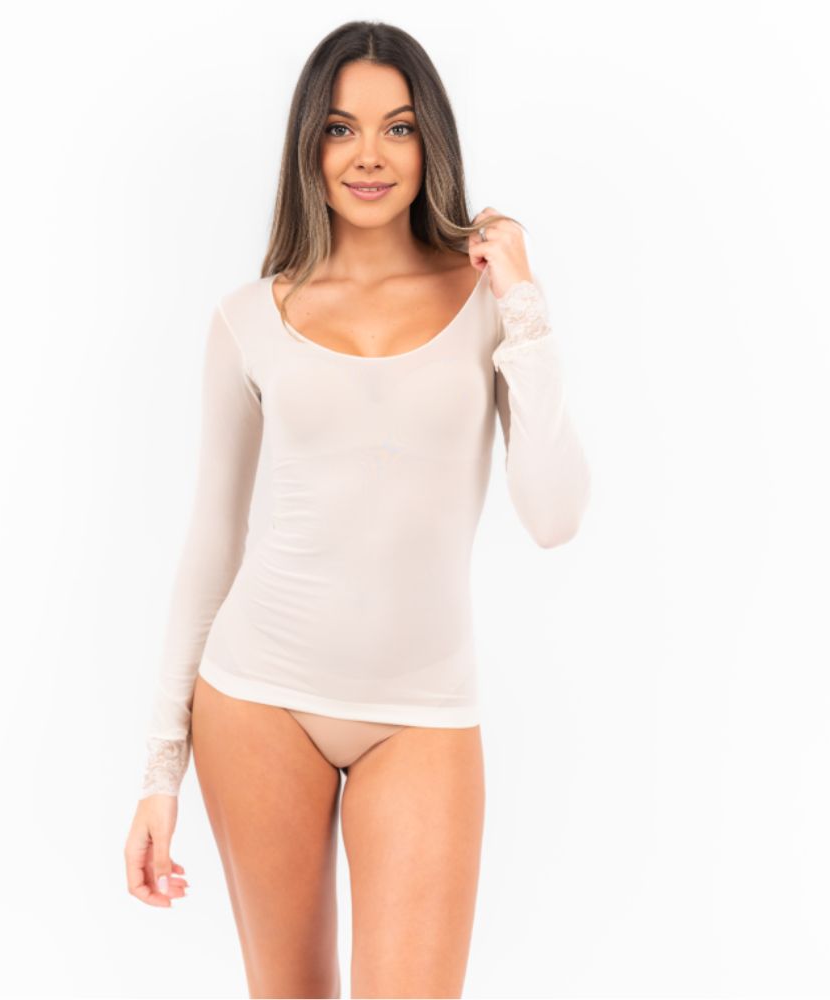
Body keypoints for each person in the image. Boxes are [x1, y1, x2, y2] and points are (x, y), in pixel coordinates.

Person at [124, 19, 591, 999]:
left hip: (422, 716)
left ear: (432, 143)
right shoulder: (249, 318)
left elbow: (553, 516)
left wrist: (525, 303)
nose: (369, 155)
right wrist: (160, 771)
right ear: (310, 144)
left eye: (398, 127)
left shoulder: (489, 305)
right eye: (341, 128)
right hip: (256, 702)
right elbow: (211, 539)